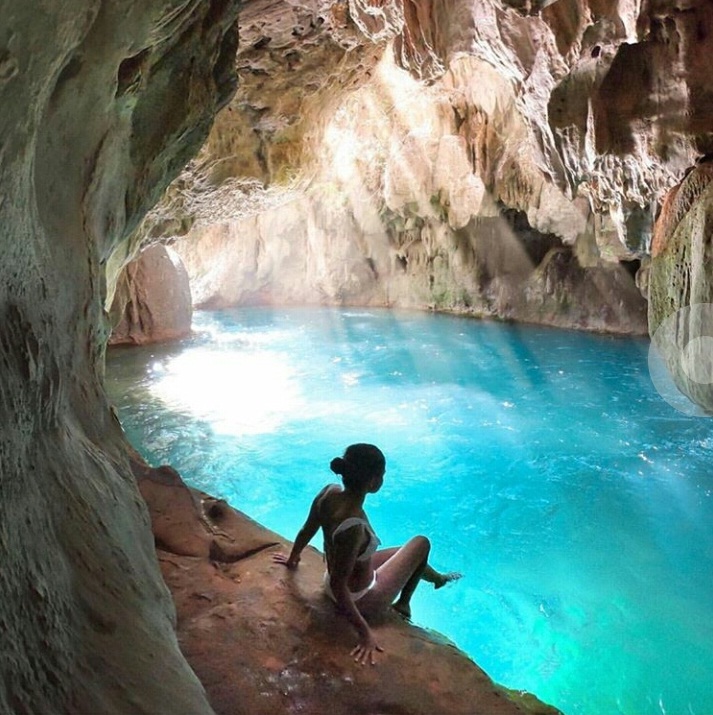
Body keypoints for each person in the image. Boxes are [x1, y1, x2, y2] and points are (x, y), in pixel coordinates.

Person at [273, 443, 461, 665]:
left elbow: (307, 529)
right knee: (421, 544)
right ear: (374, 482)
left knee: (405, 553)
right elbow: (339, 585)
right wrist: (364, 634)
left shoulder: (328, 493)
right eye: (382, 475)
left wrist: (293, 558)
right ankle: (403, 604)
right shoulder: (353, 526)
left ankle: (437, 578)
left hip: (343, 578)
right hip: (362, 598)